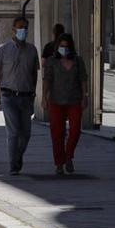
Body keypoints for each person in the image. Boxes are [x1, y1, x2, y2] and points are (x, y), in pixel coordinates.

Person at [0, 16, 39, 175]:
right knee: (14, 132)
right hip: (8, 96)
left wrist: (33, 94)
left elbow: (34, 74)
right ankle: (13, 166)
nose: (22, 30)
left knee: (26, 134)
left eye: (25, 28)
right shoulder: (3, 50)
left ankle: (17, 157)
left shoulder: (32, 50)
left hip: (26, 96)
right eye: (19, 27)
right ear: (13, 30)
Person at [44, 33, 88, 175]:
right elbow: (47, 80)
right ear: (57, 47)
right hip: (56, 101)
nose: (64, 49)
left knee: (75, 130)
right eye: (61, 46)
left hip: (74, 100)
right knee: (57, 133)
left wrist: (85, 96)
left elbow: (83, 79)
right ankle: (59, 163)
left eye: (67, 46)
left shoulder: (78, 61)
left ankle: (68, 156)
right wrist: (44, 97)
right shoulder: (52, 61)